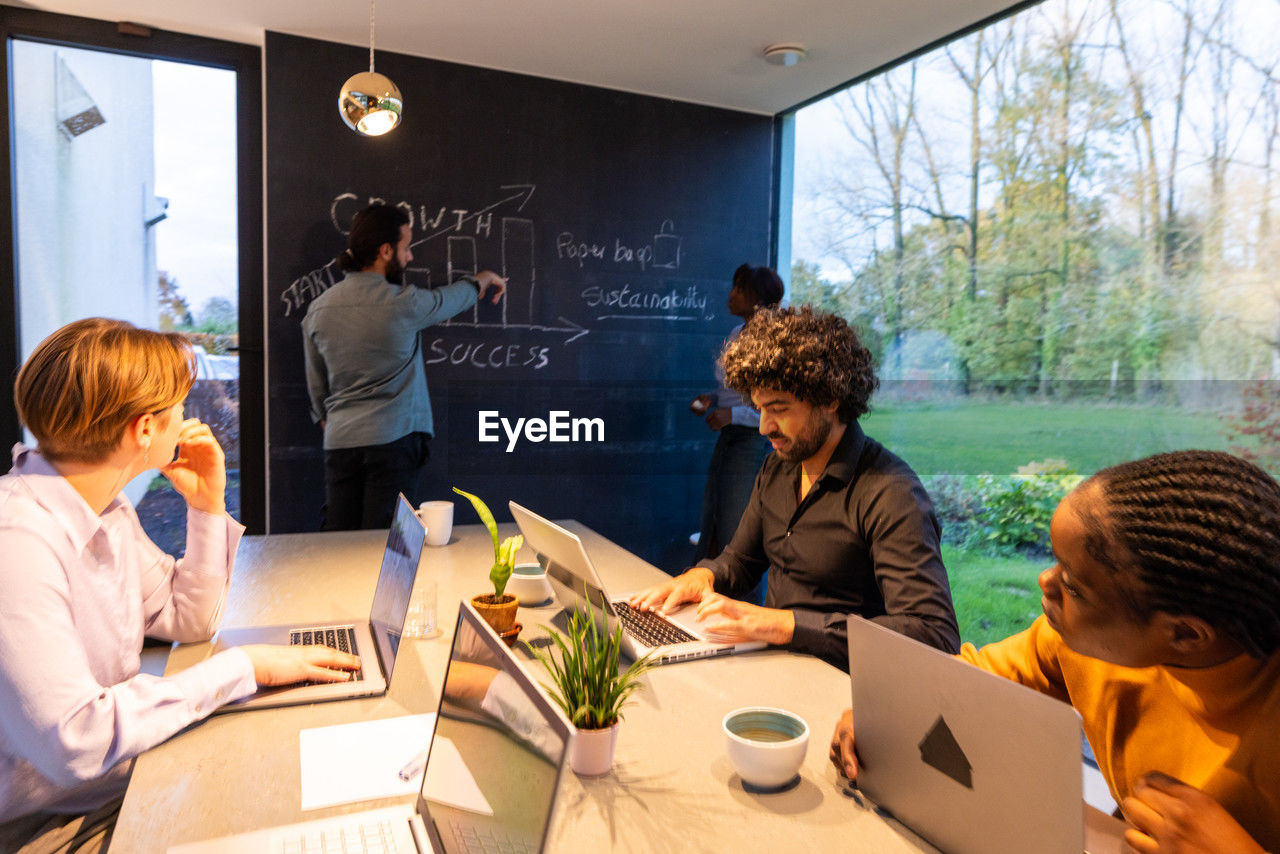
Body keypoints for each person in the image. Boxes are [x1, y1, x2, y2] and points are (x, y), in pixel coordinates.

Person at [0, 319, 360, 850]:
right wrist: (244, 666)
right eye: (180, 408)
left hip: (117, 779)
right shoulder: (17, 542)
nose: (187, 421)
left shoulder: (104, 508)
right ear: (145, 429)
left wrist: (206, 506)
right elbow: (79, 741)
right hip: (51, 823)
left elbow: (188, 619)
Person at [829, 450, 1280, 854]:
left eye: (1073, 586)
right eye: (1057, 562)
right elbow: (965, 680)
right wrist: (891, 706)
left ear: (1185, 634)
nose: (1045, 582)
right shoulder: (1075, 646)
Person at [632, 306, 960, 667]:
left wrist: (785, 625)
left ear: (830, 398)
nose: (764, 427)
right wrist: (702, 576)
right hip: (774, 669)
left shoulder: (890, 492)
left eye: (779, 409)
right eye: (758, 409)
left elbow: (934, 636)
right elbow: (741, 560)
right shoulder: (779, 467)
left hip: (847, 689)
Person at [302, 203, 508, 530]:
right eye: (406, 247)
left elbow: (317, 390)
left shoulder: (318, 310)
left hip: (341, 442)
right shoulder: (404, 302)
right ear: (385, 251)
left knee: (337, 541)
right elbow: (450, 298)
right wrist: (481, 279)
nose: (410, 257)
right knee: (384, 543)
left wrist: (338, 422)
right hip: (393, 442)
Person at [690, 264, 784, 604]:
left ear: (757, 298)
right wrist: (713, 400)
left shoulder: (773, 339)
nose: (731, 294)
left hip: (754, 440)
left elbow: (776, 403)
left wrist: (733, 413)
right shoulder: (736, 334)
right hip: (731, 436)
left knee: (737, 530)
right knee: (714, 518)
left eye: (739, 289)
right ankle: (712, 601)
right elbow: (737, 390)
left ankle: (743, 612)